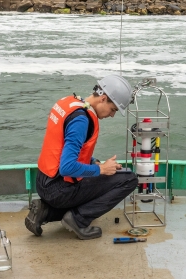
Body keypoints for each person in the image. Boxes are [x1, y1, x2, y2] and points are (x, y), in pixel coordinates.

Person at [25, 75, 138, 240]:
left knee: (101, 178)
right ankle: (78, 219)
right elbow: (67, 167)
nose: (112, 115)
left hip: (44, 182)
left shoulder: (69, 103)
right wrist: (101, 169)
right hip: (58, 189)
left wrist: (94, 162)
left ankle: (45, 211)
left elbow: (64, 150)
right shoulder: (81, 120)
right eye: (113, 109)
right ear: (103, 98)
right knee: (129, 179)